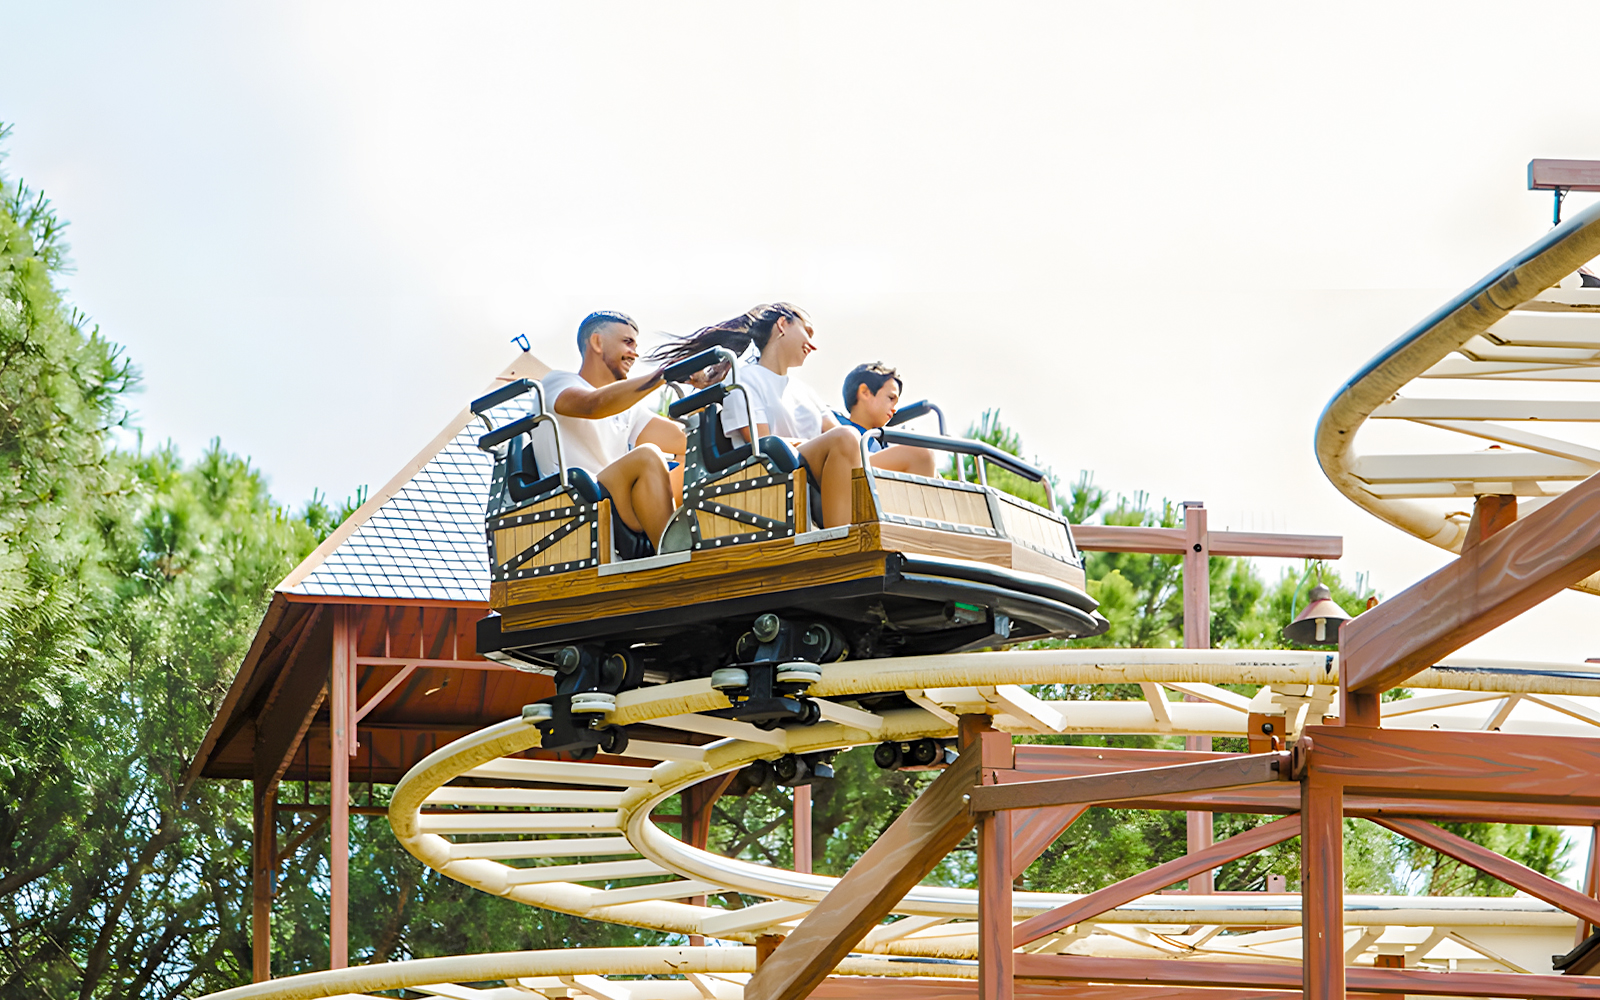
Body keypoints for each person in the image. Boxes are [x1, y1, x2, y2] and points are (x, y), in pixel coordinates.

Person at [652, 304, 932, 529]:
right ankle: (839, 541)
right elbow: (762, 444)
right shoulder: (743, 380)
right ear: (783, 325)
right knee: (844, 438)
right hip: (775, 473)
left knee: (920, 453)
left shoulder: (806, 392)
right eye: (807, 332)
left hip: (829, 461)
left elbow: (847, 440)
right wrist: (827, 446)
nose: (813, 344)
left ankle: (918, 540)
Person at [533, 310, 686, 557]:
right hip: (573, 499)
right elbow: (594, 405)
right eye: (627, 342)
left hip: (616, 497)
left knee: (694, 445)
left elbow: (682, 439)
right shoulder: (556, 382)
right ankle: (673, 552)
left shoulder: (628, 406)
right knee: (647, 455)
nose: (634, 353)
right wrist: (663, 375)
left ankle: (695, 535)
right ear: (597, 342)